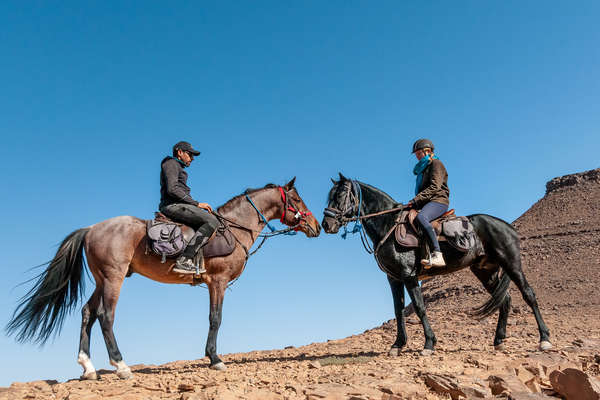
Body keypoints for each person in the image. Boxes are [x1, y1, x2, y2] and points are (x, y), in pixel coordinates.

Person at [159, 141, 219, 274]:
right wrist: (196, 204)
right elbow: (172, 189)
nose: (192, 158)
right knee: (212, 221)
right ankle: (184, 260)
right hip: (171, 206)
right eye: (190, 154)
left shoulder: (178, 167)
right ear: (179, 152)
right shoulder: (171, 163)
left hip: (180, 204)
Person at [406, 139, 450, 268]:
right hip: (425, 203)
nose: (417, 156)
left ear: (428, 151)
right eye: (416, 154)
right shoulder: (422, 170)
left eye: (419, 153)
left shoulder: (436, 164)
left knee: (421, 217)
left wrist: (415, 200)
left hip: (438, 201)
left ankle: (437, 254)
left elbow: (434, 187)